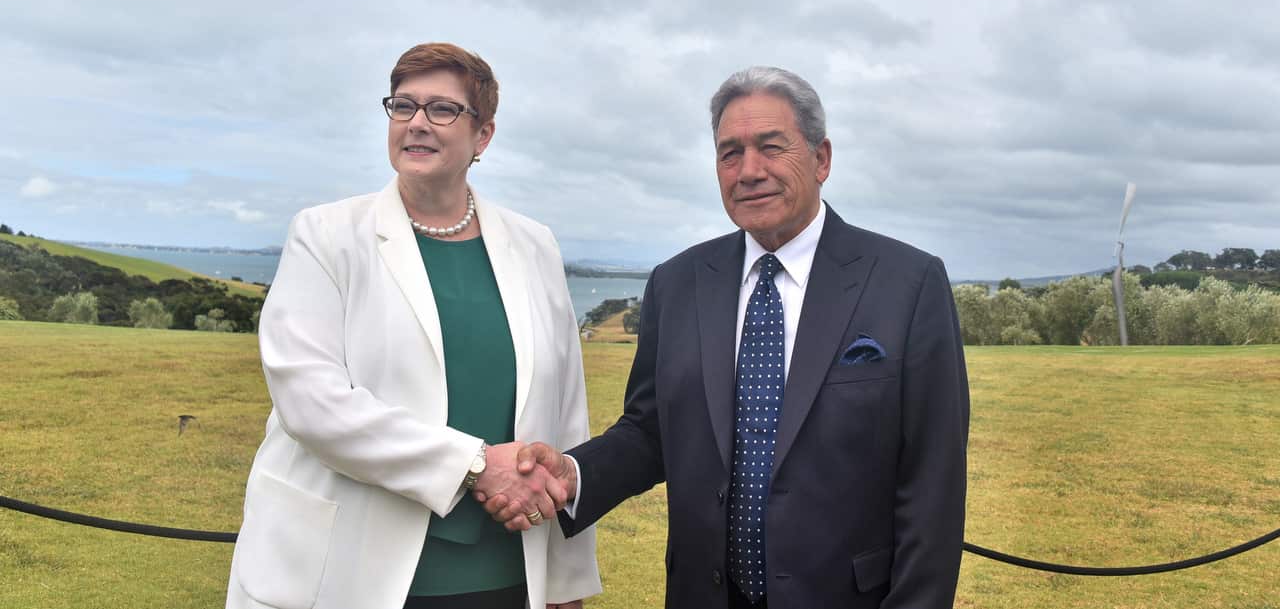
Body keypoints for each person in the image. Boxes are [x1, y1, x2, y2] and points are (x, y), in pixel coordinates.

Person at [483, 67, 969, 608]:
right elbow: (651, 432)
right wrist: (573, 474)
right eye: (729, 153)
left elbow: (933, 484)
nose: (749, 171)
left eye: (771, 147)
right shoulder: (678, 282)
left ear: (822, 158)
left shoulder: (908, 282)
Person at [226, 42, 600, 609]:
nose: (418, 123)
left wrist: (567, 579)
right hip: (349, 571)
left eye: (442, 109)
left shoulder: (535, 245)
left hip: (507, 574)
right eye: (404, 106)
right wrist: (474, 466)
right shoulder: (326, 235)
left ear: (484, 136)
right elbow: (312, 402)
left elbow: (566, 419)